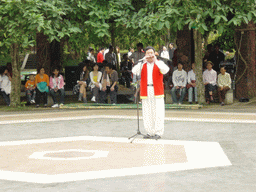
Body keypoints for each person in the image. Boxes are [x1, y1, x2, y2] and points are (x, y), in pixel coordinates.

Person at [132, 46, 169, 140]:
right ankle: (149, 132)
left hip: (157, 89)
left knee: (158, 111)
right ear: (145, 54)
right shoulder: (142, 64)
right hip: (146, 89)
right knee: (147, 111)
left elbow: (165, 70)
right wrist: (143, 61)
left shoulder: (159, 63)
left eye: (151, 53)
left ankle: (158, 132)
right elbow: (134, 71)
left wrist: (155, 60)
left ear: (154, 53)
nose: (150, 55)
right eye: (148, 53)